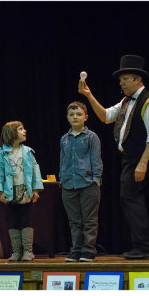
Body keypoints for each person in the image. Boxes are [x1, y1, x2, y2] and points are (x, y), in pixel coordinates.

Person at [78, 55, 149, 259]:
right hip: (130, 160)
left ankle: (144, 248)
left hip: (143, 160)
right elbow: (106, 116)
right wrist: (89, 96)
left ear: (137, 79)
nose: (121, 83)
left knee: (135, 200)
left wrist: (142, 163)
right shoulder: (126, 101)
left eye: (124, 79)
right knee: (130, 200)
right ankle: (141, 246)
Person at [0, 121, 44, 261]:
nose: (24, 131)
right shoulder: (2, 153)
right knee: (12, 221)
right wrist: (0, 191)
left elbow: (35, 169)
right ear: (12, 133)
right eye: (21, 129)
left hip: (25, 191)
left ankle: (28, 251)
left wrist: (36, 189)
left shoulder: (27, 151)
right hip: (10, 192)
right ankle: (16, 252)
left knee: (26, 220)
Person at [59, 101, 103, 262]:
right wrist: (62, 179)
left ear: (85, 117)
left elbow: (96, 160)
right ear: (67, 118)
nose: (75, 117)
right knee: (74, 221)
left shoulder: (91, 137)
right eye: (72, 115)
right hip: (68, 184)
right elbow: (62, 160)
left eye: (78, 114)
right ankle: (76, 250)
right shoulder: (64, 139)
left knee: (89, 220)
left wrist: (96, 179)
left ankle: (88, 250)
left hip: (88, 184)